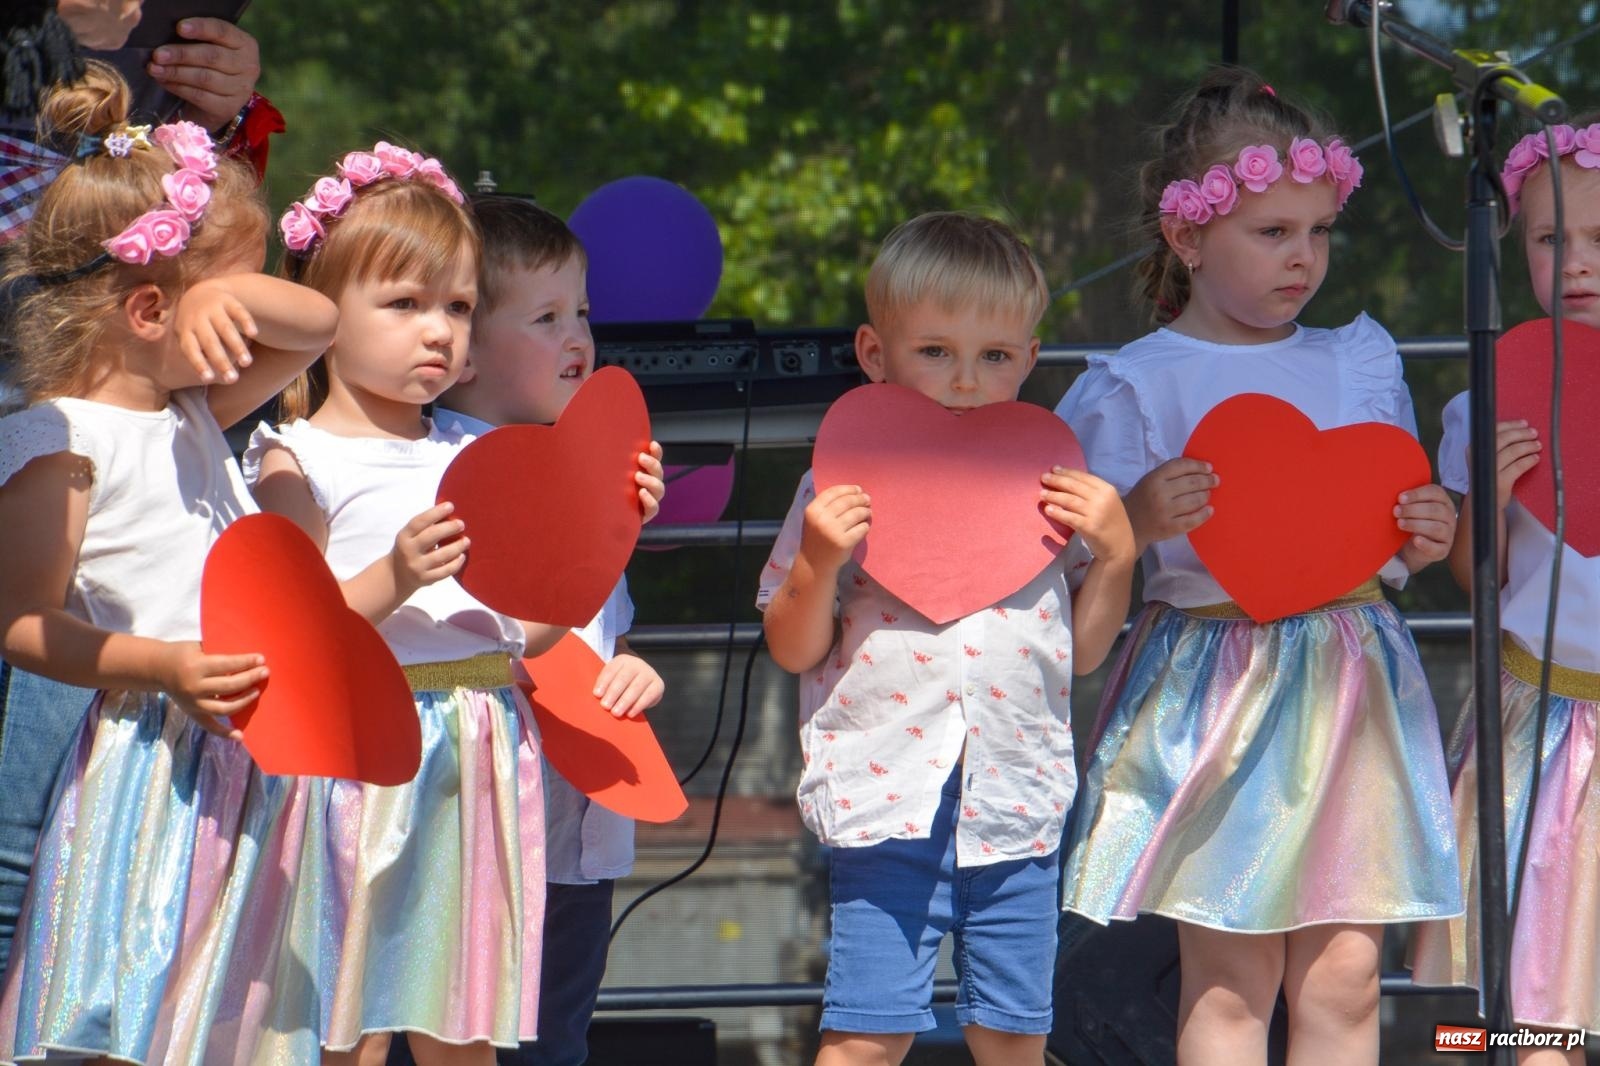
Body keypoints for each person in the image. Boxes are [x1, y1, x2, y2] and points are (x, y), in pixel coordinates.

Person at [1053, 68, 1462, 1066]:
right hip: (1214, 687)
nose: (1304, 258)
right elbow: (1071, 559)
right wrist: (1135, 518)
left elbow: (1393, 537)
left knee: (1346, 972)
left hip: (1351, 678)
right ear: (1186, 236)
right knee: (1232, 977)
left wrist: (1424, 531)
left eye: (1318, 231)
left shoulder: (1356, 363)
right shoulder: (1132, 385)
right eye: (1272, 233)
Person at [247, 146, 659, 1066]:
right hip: (359, 756)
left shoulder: (477, 454)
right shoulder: (295, 456)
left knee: (462, 1027)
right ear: (324, 311)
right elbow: (290, 630)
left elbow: (529, 631)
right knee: (346, 1025)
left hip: (477, 746)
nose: (437, 331)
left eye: (459, 308)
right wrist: (396, 572)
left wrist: (607, 530)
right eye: (404, 305)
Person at [0, 60, 337, 1062]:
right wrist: (163, 667)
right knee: (128, 1009)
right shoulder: (61, 440)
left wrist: (224, 299)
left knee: (221, 1018)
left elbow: (317, 323)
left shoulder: (192, 407)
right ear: (147, 313)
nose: (257, 311)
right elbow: (20, 621)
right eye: (235, 289)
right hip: (150, 753)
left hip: (238, 746)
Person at [759, 210, 1137, 1066]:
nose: (965, 380)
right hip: (886, 800)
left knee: (1013, 1032)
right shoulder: (836, 483)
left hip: (1016, 799)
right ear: (873, 353)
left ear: (1029, 360)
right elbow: (791, 646)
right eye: (935, 351)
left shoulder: (1053, 490)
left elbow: (1081, 651)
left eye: (994, 357)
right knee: (868, 1031)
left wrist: (1116, 555)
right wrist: (819, 560)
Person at [430, 194, 666, 1066]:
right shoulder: (432, 474)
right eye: (545, 318)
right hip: (470, 827)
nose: (579, 338)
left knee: (552, 1042)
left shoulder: (592, 476)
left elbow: (607, 635)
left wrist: (634, 672)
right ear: (459, 348)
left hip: (574, 838)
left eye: (583, 314)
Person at [1409, 117, 1600, 1065]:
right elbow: (1473, 580)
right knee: (1515, 994)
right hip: (1538, 717)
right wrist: (1487, 494)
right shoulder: (1492, 391)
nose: (1576, 263)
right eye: (1550, 238)